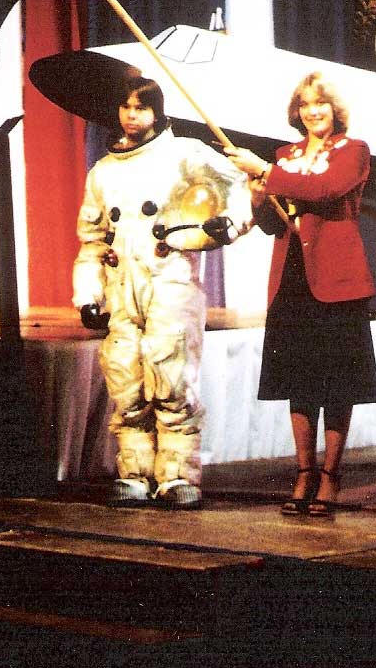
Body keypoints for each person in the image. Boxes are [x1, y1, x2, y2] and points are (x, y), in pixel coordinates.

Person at [74, 75, 252, 509]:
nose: (132, 115)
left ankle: (176, 473)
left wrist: (224, 227)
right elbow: (92, 239)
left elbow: (235, 190)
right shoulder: (103, 171)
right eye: (126, 107)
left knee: (170, 374)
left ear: (157, 112)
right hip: (122, 286)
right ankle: (134, 472)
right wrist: (87, 294)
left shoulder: (183, 153)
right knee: (126, 378)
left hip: (169, 275)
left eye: (141, 107)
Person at [226, 73, 376, 515]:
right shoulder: (285, 155)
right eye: (307, 105)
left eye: (322, 105)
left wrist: (266, 172)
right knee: (299, 379)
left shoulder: (353, 152)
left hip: (337, 277)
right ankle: (303, 471)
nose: (314, 112)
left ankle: (331, 474)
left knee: (337, 381)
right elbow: (278, 223)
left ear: (335, 111)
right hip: (292, 275)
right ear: (297, 111)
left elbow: (327, 189)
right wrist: (259, 197)